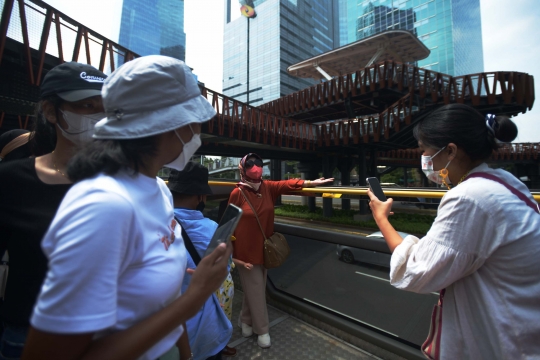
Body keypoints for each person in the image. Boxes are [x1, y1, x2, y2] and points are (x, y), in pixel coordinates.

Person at [22, 55, 231, 360]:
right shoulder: (105, 207)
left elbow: (166, 311)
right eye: (194, 120)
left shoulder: (158, 190)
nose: (198, 131)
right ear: (169, 125)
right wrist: (197, 294)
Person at [367, 103, 540, 359]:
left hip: (505, 344)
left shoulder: (469, 197)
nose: (423, 160)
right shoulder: (506, 182)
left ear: (450, 151)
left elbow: (417, 271)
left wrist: (381, 219)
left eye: (425, 151)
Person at [0, 61, 107, 359]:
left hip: (108, 336)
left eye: (105, 108)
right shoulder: (11, 180)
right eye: (86, 105)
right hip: (27, 339)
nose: (98, 117)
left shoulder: (123, 183)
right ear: (50, 111)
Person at [228, 153, 333, 348]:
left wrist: (311, 182)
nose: (256, 167)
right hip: (244, 253)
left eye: (258, 163)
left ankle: (245, 320)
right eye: (250, 164)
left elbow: (289, 184)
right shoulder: (237, 193)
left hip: (265, 249)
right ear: (243, 169)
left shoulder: (268, 188)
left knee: (254, 289)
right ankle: (263, 331)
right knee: (258, 291)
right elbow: (229, 222)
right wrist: (232, 254)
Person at [168, 162, 236, 359]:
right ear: (200, 197)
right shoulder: (212, 228)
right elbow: (225, 264)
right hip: (205, 329)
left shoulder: (158, 226)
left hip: (169, 330)